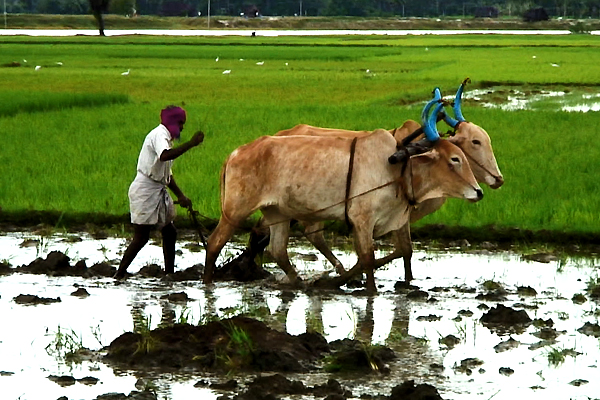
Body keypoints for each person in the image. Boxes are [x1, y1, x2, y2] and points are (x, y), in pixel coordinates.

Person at [114, 105, 204, 279]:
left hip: (157, 188)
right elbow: (165, 156)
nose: (182, 128)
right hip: (145, 190)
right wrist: (191, 144)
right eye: (180, 123)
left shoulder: (165, 138)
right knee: (141, 237)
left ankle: (169, 273)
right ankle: (119, 274)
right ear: (172, 122)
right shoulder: (159, 135)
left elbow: (166, 176)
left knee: (170, 232)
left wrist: (181, 196)